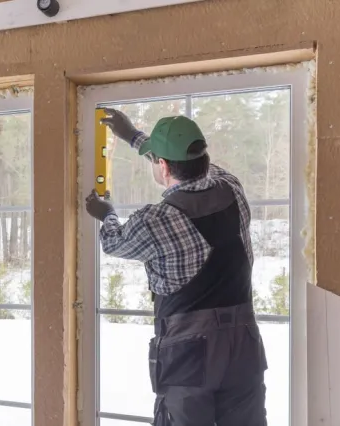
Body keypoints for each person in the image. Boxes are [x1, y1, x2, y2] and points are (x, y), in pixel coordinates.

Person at [85, 109, 268, 426]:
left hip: (189, 358)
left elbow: (114, 242)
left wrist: (107, 214)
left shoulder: (157, 221)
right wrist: (135, 138)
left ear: (163, 165)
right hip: (243, 349)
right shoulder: (232, 190)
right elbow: (205, 172)